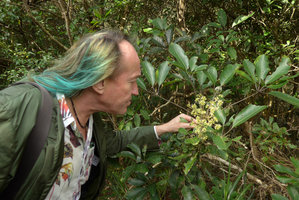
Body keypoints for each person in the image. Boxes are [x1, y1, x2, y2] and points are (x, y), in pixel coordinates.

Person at [0, 30, 194, 199]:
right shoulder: (20, 108)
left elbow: (115, 142)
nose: (136, 91)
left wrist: (166, 128)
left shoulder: (91, 122)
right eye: (132, 81)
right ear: (100, 82)